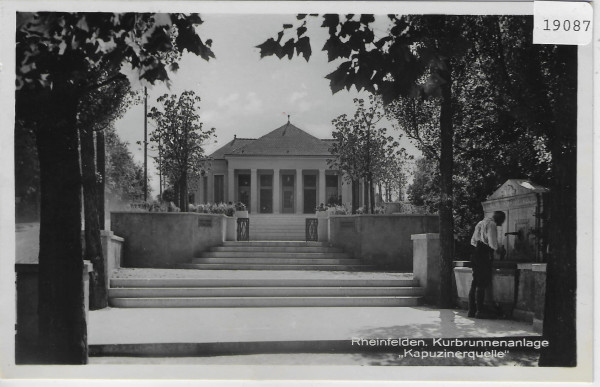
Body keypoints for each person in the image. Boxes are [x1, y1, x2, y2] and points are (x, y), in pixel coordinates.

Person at [468, 211, 506, 318]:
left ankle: (471, 310)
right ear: (499, 219)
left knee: (475, 281)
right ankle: (480, 311)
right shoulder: (492, 224)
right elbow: (493, 243)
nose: (501, 224)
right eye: (502, 221)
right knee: (482, 282)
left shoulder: (480, 223)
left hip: (475, 253)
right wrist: (499, 250)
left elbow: (473, 241)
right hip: (483, 255)